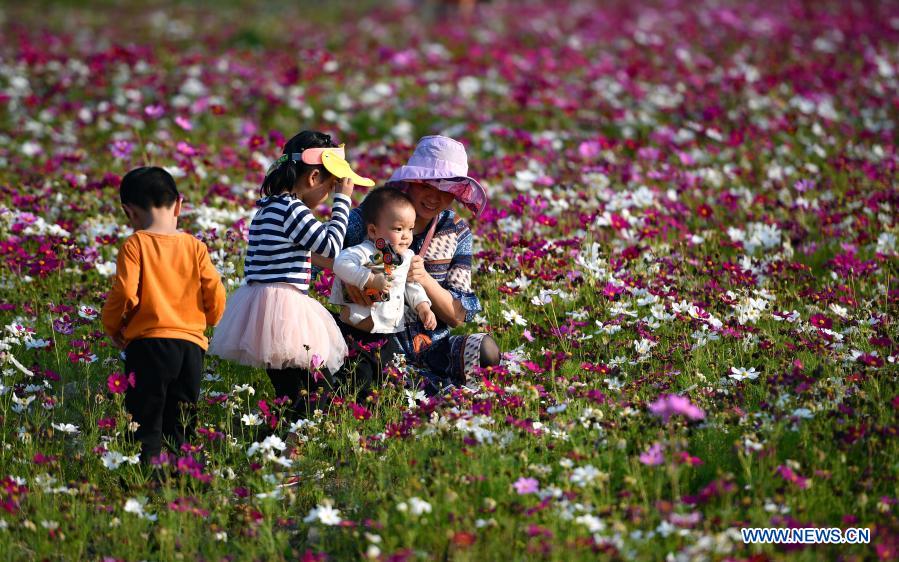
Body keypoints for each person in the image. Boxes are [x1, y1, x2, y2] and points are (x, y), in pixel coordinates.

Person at [315, 135, 500, 393]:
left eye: (445, 191)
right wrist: (353, 280)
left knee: (485, 351)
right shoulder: (379, 210)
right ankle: (431, 392)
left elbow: (457, 316)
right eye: (427, 186)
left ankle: (427, 389)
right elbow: (315, 250)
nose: (435, 198)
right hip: (374, 339)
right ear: (412, 181)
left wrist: (423, 278)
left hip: (432, 347)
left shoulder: (456, 230)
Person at [209, 130, 374, 419]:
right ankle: (292, 436)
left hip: (261, 308)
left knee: (291, 391)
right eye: (331, 186)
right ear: (313, 178)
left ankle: (282, 433)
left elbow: (308, 252)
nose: (329, 194)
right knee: (318, 389)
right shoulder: (292, 209)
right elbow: (331, 247)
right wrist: (342, 202)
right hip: (286, 310)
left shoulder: (268, 208)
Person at [101, 167, 227, 464]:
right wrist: (211, 318)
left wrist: (112, 325)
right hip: (191, 347)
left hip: (149, 345)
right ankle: (180, 478)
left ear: (128, 212)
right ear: (179, 205)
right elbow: (215, 290)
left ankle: (146, 477)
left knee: (145, 417)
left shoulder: (135, 244)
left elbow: (125, 292)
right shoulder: (195, 246)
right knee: (182, 418)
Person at [329, 187, 437, 398]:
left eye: (410, 229)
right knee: (357, 377)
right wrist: (368, 279)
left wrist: (423, 306)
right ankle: (343, 405)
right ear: (373, 231)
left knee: (387, 377)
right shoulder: (365, 251)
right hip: (356, 330)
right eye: (398, 229)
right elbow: (340, 263)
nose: (406, 236)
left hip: (388, 332)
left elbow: (410, 285)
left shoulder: (406, 257)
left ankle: (380, 408)